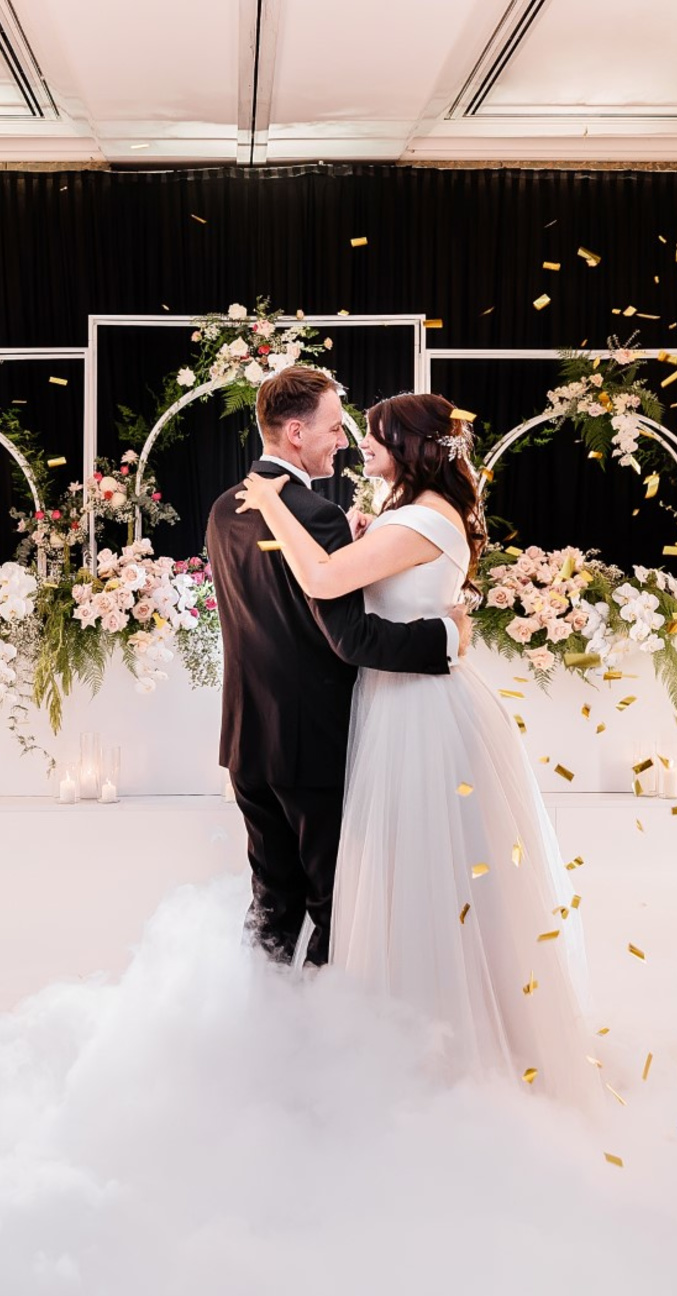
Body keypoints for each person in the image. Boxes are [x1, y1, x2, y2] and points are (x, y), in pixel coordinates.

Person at [235, 391, 600, 1108]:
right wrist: (368, 531)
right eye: (354, 431)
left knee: (430, 875)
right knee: (398, 875)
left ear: (410, 447)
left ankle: (447, 1053)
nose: (359, 444)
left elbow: (322, 579)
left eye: (372, 435)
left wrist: (273, 502)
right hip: (391, 701)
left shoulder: (428, 515)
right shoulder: (412, 514)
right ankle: (391, 1038)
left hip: (422, 710)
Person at [205, 367, 463, 973]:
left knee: (271, 899)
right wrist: (445, 637)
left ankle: (260, 1020)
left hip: (249, 738)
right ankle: (327, 1036)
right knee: (335, 899)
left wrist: (348, 546)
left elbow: (271, 617)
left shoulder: (225, 507)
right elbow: (347, 638)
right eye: (332, 427)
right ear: (295, 432)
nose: (343, 440)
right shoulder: (315, 516)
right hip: (313, 742)